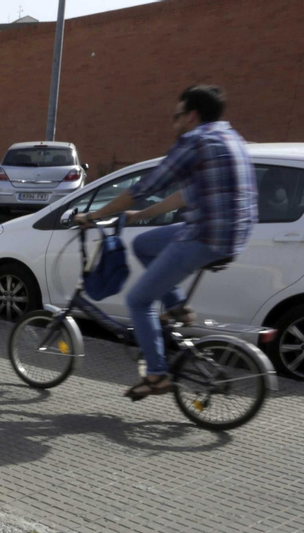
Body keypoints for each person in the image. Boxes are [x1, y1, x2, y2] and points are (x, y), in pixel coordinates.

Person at [75, 84, 256, 400]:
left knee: (138, 300)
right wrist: (140, 215)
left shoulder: (196, 141)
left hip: (205, 236)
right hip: (229, 233)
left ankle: (156, 375)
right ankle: (176, 307)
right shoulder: (230, 138)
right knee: (144, 244)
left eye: (177, 116)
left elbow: (146, 185)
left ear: (192, 116)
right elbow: (186, 194)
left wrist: (95, 215)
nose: (174, 123)